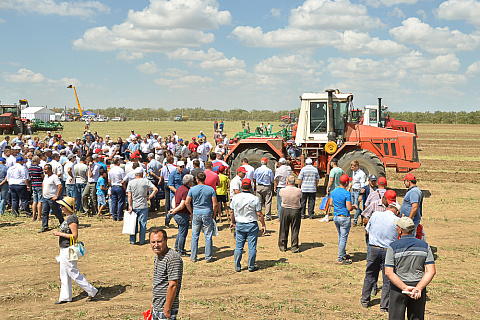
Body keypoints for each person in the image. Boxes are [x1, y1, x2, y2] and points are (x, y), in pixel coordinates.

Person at [385, 217, 436, 320]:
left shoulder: (393, 246)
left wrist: (404, 288)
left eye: (397, 227)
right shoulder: (425, 246)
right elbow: (431, 271)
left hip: (398, 288)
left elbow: (389, 272)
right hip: (417, 289)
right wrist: (419, 288)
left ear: (400, 230)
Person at [52, 197, 98, 304]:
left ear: (67, 207)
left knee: (73, 272)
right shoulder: (68, 217)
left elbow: (75, 236)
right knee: (64, 273)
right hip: (64, 248)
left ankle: (91, 291)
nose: (61, 207)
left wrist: (59, 234)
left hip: (69, 249)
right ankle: (65, 297)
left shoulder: (72, 218)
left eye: (63, 206)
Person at [360, 201, 401, 312]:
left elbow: (367, 230)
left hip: (374, 248)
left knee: (370, 275)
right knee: (387, 278)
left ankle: (365, 300)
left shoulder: (375, 215)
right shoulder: (397, 220)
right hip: (388, 250)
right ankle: (384, 306)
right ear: (396, 211)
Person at [229, 178, 266, 272]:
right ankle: (251, 266)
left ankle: (237, 266)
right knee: (252, 246)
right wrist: (263, 225)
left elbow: (232, 212)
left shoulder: (235, 198)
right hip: (251, 224)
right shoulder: (255, 198)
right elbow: (259, 214)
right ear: (251, 187)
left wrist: (232, 222)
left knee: (239, 245)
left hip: (240, 224)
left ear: (241, 187)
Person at [150, 228, 183, 320]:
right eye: (153, 242)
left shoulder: (172, 258)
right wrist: (153, 302)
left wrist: (167, 308)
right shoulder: (158, 256)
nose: (156, 245)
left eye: (159, 242)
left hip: (165, 309)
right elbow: (159, 282)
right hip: (157, 306)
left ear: (166, 240)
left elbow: (173, 285)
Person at [185, 172, 217, 263]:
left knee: (195, 236)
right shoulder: (210, 189)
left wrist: (191, 212)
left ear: (197, 179)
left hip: (196, 213)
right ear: (205, 179)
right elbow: (215, 204)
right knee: (208, 235)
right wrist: (214, 214)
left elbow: (187, 202)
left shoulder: (192, 189)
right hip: (207, 213)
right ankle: (208, 257)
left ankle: (193, 257)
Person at [127, 167, 158, 245]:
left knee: (133, 224)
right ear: (141, 173)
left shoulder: (131, 182)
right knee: (143, 224)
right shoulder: (145, 181)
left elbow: (129, 195)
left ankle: (132, 240)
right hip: (143, 205)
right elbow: (155, 189)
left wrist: (130, 206)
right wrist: (150, 196)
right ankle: (142, 240)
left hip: (134, 205)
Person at [330, 174, 356, 265]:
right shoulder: (347, 193)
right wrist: (354, 207)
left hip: (336, 217)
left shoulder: (334, 191)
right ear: (346, 183)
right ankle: (340, 258)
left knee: (340, 236)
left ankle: (343, 253)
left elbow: (331, 203)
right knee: (343, 238)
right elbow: (349, 208)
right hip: (344, 217)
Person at [169, 174, 194, 257]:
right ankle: (180, 250)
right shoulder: (186, 191)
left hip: (178, 214)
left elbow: (174, 199)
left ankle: (177, 247)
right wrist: (191, 212)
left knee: (180, 232)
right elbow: (183, 204)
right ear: (190, 182)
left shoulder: (179, 188)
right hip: (182, 214)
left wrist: (173, 209)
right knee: (183, 233)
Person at [278, 175, 302, 253]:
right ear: (294, 182)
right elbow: (300, 197)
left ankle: (282, 246)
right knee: (295, 229)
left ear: (287, 182)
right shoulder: (299, 191)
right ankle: (294, 247)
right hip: (295, 210)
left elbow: (280, 196)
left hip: (285, 209)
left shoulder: (282, 190)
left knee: (283, 228)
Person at [38, 164, 64, 233]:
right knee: (45, 212)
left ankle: (63, 222)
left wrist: (57, 196)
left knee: (55, 212)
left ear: (50, 169)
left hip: (52, 198)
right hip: (45, 198)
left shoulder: (54, 177)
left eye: (46, 169)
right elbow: (43, 184)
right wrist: (43, 193)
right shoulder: (46, 177)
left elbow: (60, 186)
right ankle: (44, 226)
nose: (44, 171)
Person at [322, 158, 344, 222]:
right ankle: (337, 215)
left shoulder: (333, 170)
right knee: (337, 203)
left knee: (329, 203)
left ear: (332, 163)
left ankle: (327, 216)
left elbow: (331, 180)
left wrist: (327, 187)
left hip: (333, 189)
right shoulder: (340, 170)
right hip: (339, 188)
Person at [166, 160, 186, 227]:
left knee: (180, 208)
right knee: (173, 208)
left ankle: (179, 222)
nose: (182, 168)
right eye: (181, 167)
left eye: (183, 167)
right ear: (177, 166)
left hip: (181, 194)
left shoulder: (183, 175)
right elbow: (170, 185)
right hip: (174, 194)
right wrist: (177, 192)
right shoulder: (172, 174)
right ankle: (167, 220)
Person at [348, 160, 366, 226]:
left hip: (358, 191)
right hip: (353, 190)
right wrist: (349, 187)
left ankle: (355, 221)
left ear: (357, 166)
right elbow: (353, 180)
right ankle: (362, 214)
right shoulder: (354, 172)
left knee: (356, 206)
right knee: (353, 205)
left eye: (353, 167)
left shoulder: (362, 174)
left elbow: (362, 186)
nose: (351, 168)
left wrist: (361, 195)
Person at [29, 155, 44, 221]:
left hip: (33, 184)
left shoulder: (30, 168)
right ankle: (39, 216)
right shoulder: (39, 168)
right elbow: (42, 176)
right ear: (36, 160)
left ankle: (33, 215)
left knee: (35, 201)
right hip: (39, 184)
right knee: (40, 201)